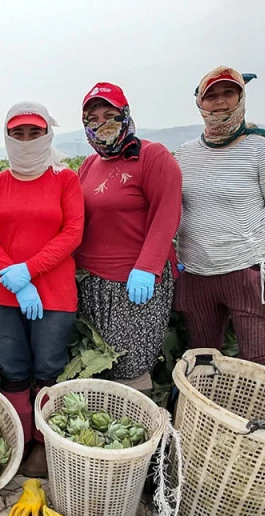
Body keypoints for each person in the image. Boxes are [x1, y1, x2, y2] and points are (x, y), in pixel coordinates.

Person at [172, 66, 265, 370]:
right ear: (199, 102)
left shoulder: (263, 151)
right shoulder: (184, 154)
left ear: (241, 98)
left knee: (261, 364)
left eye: (228, 93)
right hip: (197, 275)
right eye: (211, 96)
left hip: (251, 273)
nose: (219, 101)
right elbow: (175, 212)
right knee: (202, 361)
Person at [0, 102, 84, 477]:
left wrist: (28, 270)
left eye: (34, 132)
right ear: (8, 137)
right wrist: (11, 274)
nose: (26, 139)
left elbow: (72, 232)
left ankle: (41, 445)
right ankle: (18, 439)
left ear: (47, 134)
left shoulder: (65, 180)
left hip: (54, 293)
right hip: (3, 293)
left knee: (47, 370)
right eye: (18, 133)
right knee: (14, 370)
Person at [73, 82, 182, 397]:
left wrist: (148, 267)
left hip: (134, 282)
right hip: (92, 282)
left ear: (125, 114)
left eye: (110, 115)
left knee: (130, 365)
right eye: (93, 118)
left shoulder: (152, 156)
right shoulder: (90, 164)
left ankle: (138, 423)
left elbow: (167, 213)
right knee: (100, 361)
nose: (102, 124)